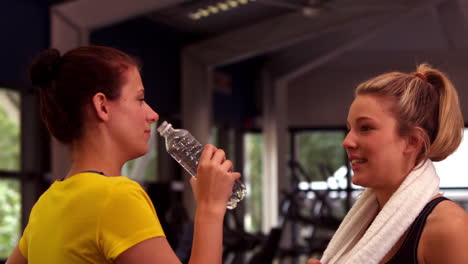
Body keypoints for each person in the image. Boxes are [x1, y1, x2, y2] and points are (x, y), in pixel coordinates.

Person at [6, 45, 240, 264]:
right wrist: (210, 208)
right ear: (103, 106)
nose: (153, 114)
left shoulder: (46, 205)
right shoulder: (116, 197)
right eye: (140, 99)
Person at [308, 64, 468, 264]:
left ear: (412, 141)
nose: (347, 141)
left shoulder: (449, 227)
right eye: (349, 129)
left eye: (365, 128)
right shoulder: (367, 224)